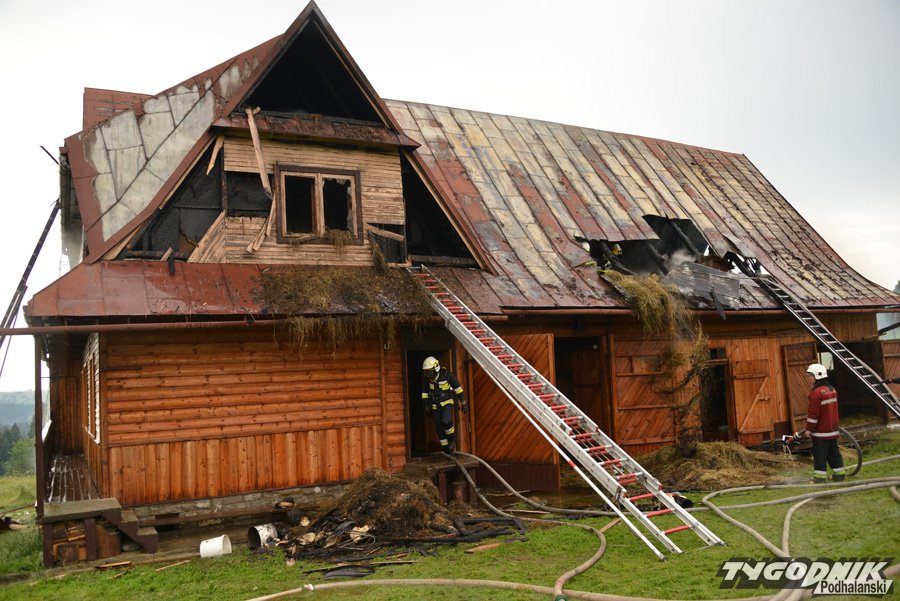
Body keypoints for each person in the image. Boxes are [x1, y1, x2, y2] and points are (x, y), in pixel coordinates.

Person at [794, 363, 845, 483]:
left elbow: (813, 414)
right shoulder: (832, 390)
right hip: (833, 429)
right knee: (834, 453)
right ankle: (839, 475)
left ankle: (819, 478)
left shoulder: (816, 393)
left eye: (810, 375)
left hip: (821, 431)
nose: (809, 378)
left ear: (817, 376)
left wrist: (809, 429)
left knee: (820, 455)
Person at [421, 356, 468, 454]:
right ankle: (447, 451)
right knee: (439, 430)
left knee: (446, 422)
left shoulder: (447, 375)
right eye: (426, 372)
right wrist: (426, 405)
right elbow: (424, 393)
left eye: (429, 371)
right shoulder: (427, 380)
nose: (428, 374)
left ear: (436, 368)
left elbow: (458, 389)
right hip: (435, 405)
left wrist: (463, 402)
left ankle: (451, 439)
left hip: (447, 402)